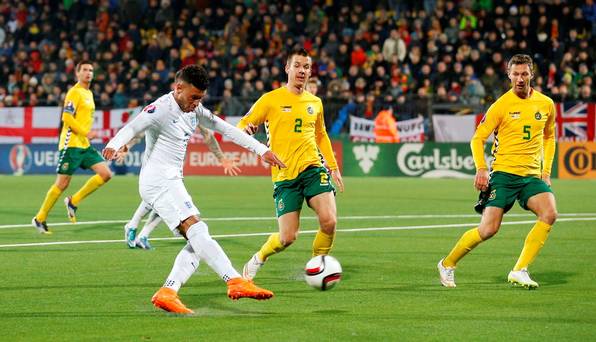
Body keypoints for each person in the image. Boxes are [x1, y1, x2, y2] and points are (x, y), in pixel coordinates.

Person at [102, 65, 286, 314]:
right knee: (198, 231)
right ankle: (234, 281)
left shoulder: (195, 109)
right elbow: (134, 127)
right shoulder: (160, 109)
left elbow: (226, 129)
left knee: (198, 240)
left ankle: (168, 291)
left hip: (170, 180)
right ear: (178, 88)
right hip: (158, 180)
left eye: (200, 98)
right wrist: (115, 144)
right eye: (193, 97)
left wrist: (261, 150)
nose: (197, 103)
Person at [437, 54, 558, 289]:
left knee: (550, 213)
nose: (520, 78)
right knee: (488, 229)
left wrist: (546, 171)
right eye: (516, 74)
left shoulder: (546, 104)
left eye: (524, 73)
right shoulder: (501, 105)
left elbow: (550, 136)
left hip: (531, 176)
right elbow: (477, 139)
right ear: (508, 75)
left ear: (532, 74)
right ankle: (447, 263)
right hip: (503, 175)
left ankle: (519, 270)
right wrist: (481, 169)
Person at [238, 48, 344, 282]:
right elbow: (243, 124)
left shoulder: (315, 102)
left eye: (306, 67)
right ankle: (259, 257)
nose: (302, 71)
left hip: (313, 169)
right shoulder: (270, 99)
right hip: (285, 176)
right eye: (297, 66)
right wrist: (246, 131)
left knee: (329, 221)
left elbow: (321, 135)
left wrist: (333, 166)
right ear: (287, 68)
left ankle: (318, 266)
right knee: (287, 237)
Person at [120, 126, 241, 249]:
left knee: (165, 199)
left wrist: (221, 158)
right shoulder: (165, 110)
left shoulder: (192, 110)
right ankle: (135, 228)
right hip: (157, 160)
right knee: (165, 197)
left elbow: (207, 135)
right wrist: (128, 145)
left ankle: (139, 232)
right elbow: (143, 128)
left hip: (175, 160)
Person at [32, 61, 112, 233]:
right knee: (62, 183)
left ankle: (73, 201)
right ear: (77, 73)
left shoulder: (89, 93)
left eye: (91, 70)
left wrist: (86, 136)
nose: (88, 73)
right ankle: (40, 218)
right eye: (84, 70)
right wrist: (86, 132)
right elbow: (67, 118)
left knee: (105, 174)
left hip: (84, 145)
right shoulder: (74, 92)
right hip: (71, 145)